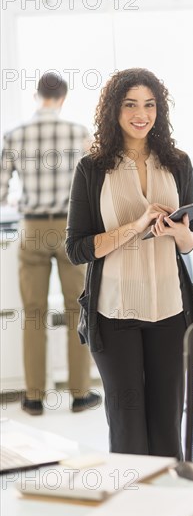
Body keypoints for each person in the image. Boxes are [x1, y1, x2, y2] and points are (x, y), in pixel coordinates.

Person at [65, 68, 193, 458]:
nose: (141, 114)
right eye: (130, 105)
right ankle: (131, 511)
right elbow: (77, 248)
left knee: (166, 428)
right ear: (114, 110)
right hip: (114, 315)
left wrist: (177, 233)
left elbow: (190, 242)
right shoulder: (92, 169)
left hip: (169, 311)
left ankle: (170, 512)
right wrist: (137, 226)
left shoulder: (178, 162)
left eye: (149, 104)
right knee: (128, 429)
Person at [0, 72, 99, 416]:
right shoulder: (78, 133)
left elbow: (0, 190)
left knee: (33, 314)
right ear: (63, 97)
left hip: (32, 228)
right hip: (70, 228)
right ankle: (80, 394)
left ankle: (33, 398)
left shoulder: (14, 134)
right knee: (77, 309)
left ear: (36, 95)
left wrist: (16, 201)